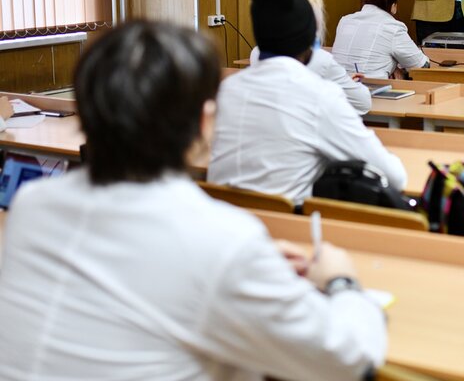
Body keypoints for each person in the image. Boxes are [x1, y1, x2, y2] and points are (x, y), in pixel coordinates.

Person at [0, 21, 386, 380]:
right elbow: (346, 357)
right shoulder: (223, 241)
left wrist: (254, 265)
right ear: (204, 120)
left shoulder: (32, 206)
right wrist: (340, 281)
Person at [208, 0, 407, 203]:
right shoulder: (321, 97)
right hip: (288, 230)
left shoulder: (225, 91)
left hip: (221, 222)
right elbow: (394, 177)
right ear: (311, 36)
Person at [250, 0, 371, 114]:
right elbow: (363, 103)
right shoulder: (320, 59)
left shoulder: (256, 53)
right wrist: (345, 85)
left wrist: (340, 81)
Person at [332, 0, 429, 79]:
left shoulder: (345, 21)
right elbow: (422, 67)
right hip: (371, 90)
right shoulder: (392, 28)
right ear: (393, 6)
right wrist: (398, 66)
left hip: (336, 89)